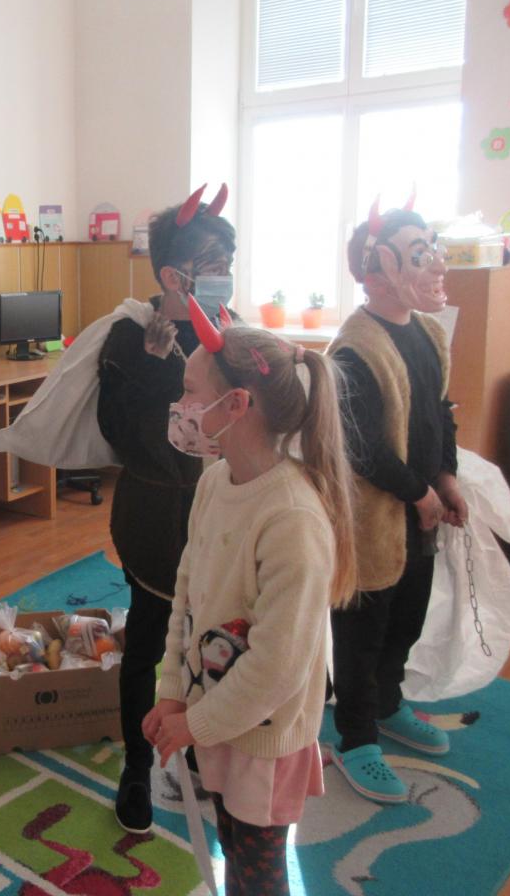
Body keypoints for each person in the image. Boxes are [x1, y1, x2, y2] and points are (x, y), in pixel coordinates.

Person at [144, 304, 357, 896]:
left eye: (190, 391)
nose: (180, 405)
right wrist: (172, 691)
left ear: (236, 404)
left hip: (262, 739)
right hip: (216, 719)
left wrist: (196, 723)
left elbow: (278, 667)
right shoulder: (215, 481)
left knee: (259, 876)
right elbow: (187, 593)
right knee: (232, 850)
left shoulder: (291, 518)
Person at [97, 183, 237, 834]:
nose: (224, 275)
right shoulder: (131, 337)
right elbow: (118, 434)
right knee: (151, 640)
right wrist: (158, 372)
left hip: (221, 513)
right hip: (154, 515)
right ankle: (135, 765)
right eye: (212, 265)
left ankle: (201, 740)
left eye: (228, 263)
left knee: (216, 639)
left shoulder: (230, 330)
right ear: (173, 275)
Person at [325, 199, 467, 805]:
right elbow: (359, 446)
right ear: (378, 270)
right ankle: (355, 736)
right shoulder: (354, 348)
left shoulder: (429, 332)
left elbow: (440, 412)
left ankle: (387, 702)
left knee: (406, 618)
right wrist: (418, 492)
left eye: (432, 250)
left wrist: (447, 477)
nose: (436, 265)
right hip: (373, 520)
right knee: (362, 629)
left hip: (420, 513)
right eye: (419, 254)